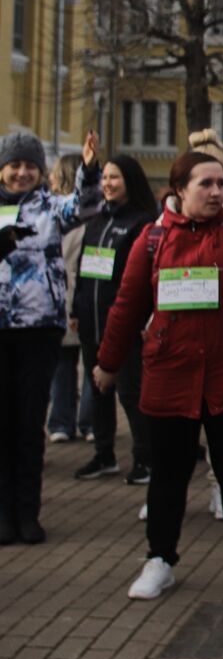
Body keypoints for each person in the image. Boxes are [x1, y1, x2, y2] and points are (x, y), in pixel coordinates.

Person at [95, 124, 223, 600]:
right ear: (179, 190)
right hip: (172, 374)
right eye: (206, 184)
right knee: (170, 474)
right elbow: (127, 304)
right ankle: (159, 560)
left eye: (222, 183)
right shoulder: (153, 241)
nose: (218, 192)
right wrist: (107, 362)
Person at [0, 130, 99, 544]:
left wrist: (89, 170)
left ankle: (28, 513)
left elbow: (87, 206)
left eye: (30, 166)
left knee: (28, 424)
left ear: (41, 171)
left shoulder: (50, 207)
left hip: (39, 331)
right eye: (15, 166)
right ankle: (3, 515)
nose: (22, 173)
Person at [72, 155, 159, 485]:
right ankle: (104, 454)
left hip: (124, 326)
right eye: (105, 178)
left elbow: (142, 278)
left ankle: (145, 458)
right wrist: (75, 310)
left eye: (115, 178)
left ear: (130, 181)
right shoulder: (96, 220)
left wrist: (142, 318)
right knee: (97, 391)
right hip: (90, 321)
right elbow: (84, 268)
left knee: (130, 391)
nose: (107, 183)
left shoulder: (141, 223)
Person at [46, 154, 87, 446]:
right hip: (82, 295)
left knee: (64, 362)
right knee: (88, 360)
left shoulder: (59, 214)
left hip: (65, 295)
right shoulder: (92, 213)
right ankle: (88, 422)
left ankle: (62, 420)